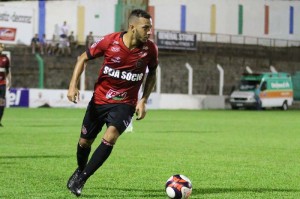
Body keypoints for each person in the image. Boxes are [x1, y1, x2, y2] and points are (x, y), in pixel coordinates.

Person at [66, 9, 158, 196]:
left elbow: (153, 73)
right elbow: (82, 58)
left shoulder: (150, 49)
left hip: (125, 103)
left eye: (150, 28)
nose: (149, 32)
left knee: (111, 136)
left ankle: (81, 180)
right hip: (99, 101)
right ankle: (80, 170)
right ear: (132, 27)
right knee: (84, 142)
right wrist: (72, 86)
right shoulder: (110, 41)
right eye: (145, 28)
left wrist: (143, 100)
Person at [0, 43, 11, 127]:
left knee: (1, 103)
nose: (1, 48)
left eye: (2, 47)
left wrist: (9, 81)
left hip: (2, 84)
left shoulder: (5, 58)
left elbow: (8, 72)